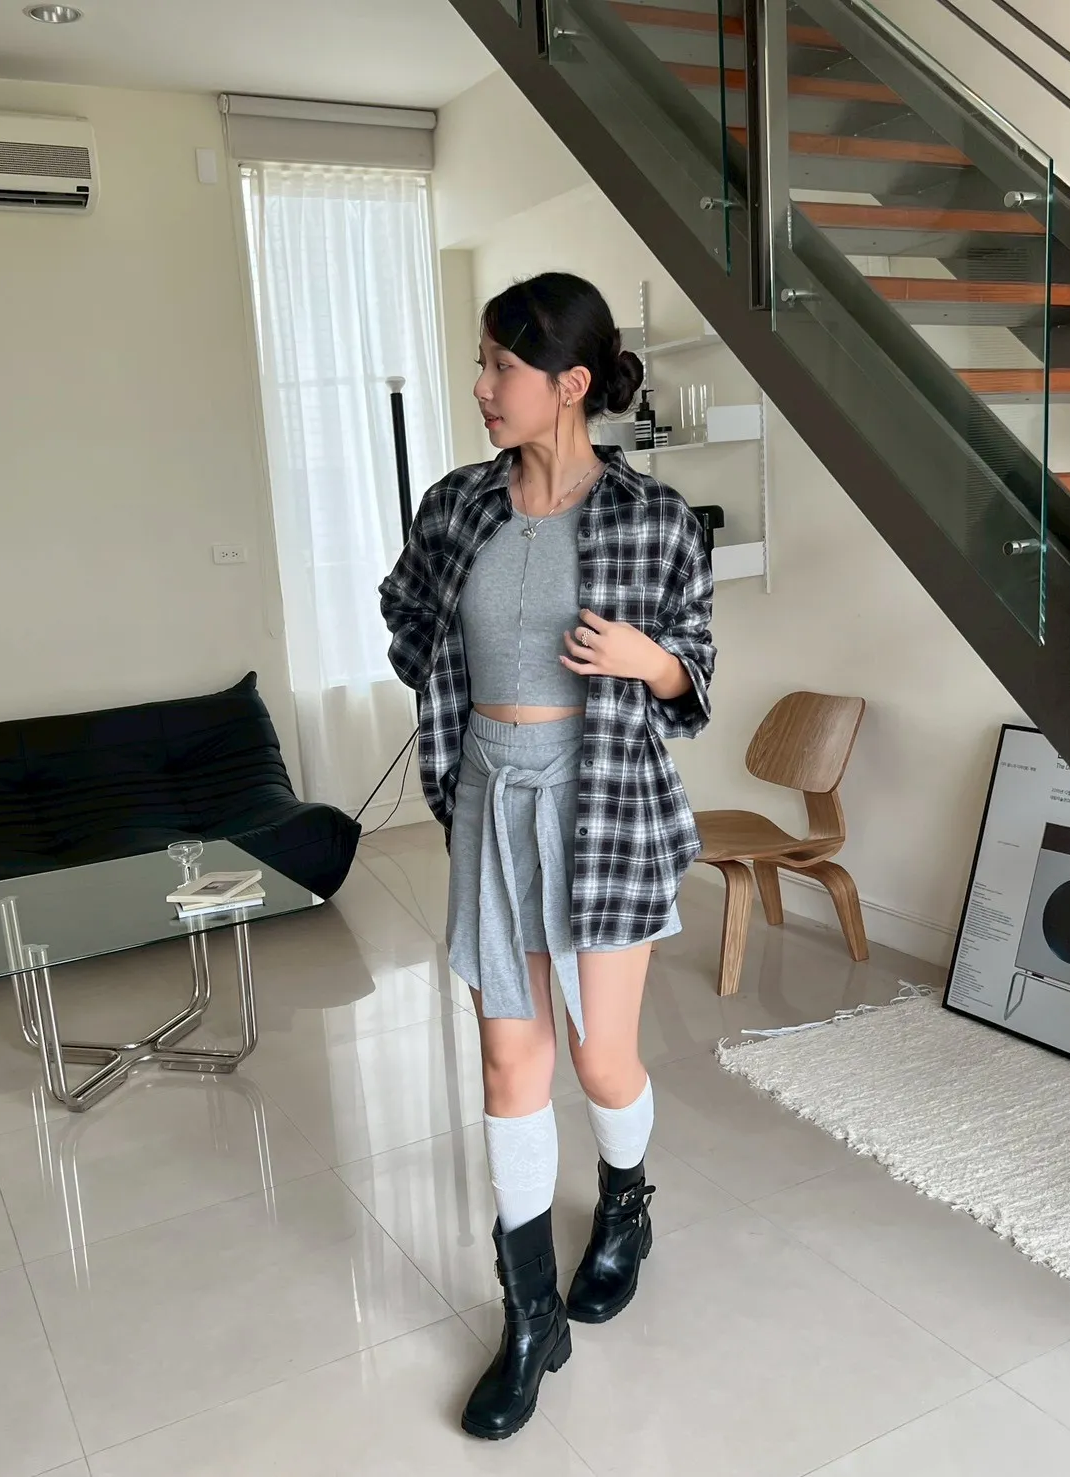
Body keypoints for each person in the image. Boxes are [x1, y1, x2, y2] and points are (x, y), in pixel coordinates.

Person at [379, 272, 715, 1440]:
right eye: (481, 364)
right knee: (507, 1065)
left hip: (603, 803)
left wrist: (644, 659)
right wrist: (448, 674)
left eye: (500, 367)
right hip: (490, 796)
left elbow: (695, 673)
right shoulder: (455, 505)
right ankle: (529, 1317)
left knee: (600, 1056)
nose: (480, 386)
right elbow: (408, 613)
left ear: (570, 384)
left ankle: (624, 1203)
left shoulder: (655, 519)